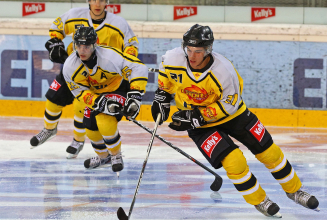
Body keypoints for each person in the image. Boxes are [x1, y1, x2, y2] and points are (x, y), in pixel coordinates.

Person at [151, 24, 319, 218]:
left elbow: (229, 106)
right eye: (188, 50)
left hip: (234, 115)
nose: (192, 56)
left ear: (208, 50)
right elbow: (167, 79)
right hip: (201, 127)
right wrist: (161, 96)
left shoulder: (223, 71)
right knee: (234, 162)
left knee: (270, 152)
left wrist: (196, 117)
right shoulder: (172, 58)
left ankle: (294, 190)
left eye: (198, 51)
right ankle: (259, 200)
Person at [30, 0, 139, 160]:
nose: (97, 3)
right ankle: (49, 129)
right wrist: (55, 43)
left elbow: (131, 45)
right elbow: (57, 27)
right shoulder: (75, 15)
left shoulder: (118, 24)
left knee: (82, 107)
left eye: (101, 0)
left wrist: (125, 60)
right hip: (74, 69)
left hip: (102, 75)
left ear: (107, 2)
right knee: (53, 98)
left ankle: (77, 140)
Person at [63, 26, 147, 171]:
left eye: (87, 46)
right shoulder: (70, 67)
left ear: (95, 44)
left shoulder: (110, 56)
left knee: (104, 120)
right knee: (90, 128)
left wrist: (135, 96)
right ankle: (104, 157)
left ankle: (115, 155)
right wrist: (99, 102)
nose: (82, 50)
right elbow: (79, 92)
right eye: (79, 45)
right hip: (96, 95)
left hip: (118, 88)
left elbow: (138, 67)